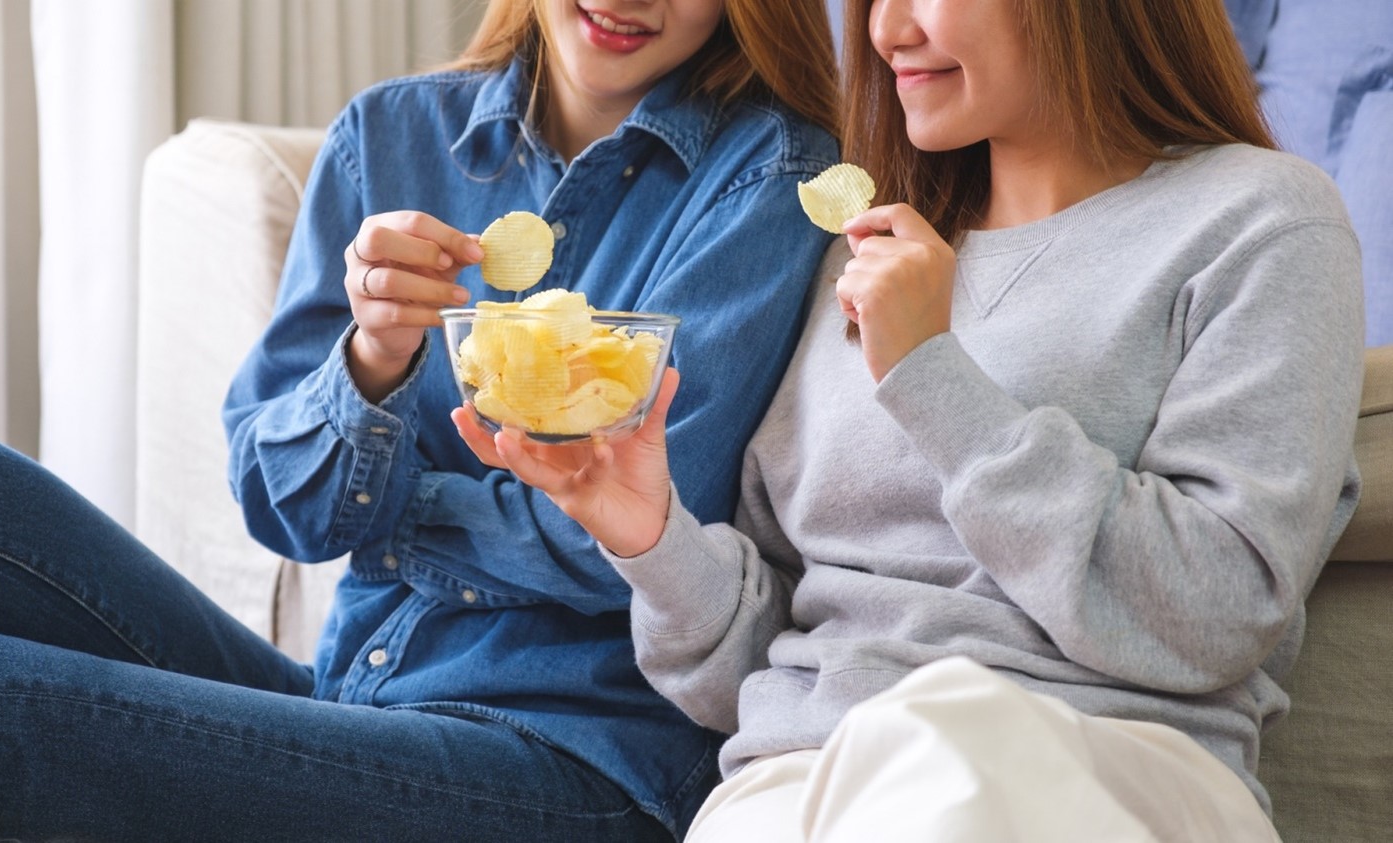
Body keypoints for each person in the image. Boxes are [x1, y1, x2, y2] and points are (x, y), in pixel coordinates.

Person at [0, 0, 840, 840]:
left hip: (570, 758)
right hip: (352, 696)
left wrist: (402, 509)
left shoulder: (768, 176)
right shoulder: (388, 138)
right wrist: (371, 362)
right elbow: (279, 504)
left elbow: (618, 542)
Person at [455, 0, 1366, 839]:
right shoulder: (863, 253)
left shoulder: (1262, 219)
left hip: (1096, 761)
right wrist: (649, 534)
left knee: (939, 741)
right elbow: (757, 665)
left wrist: (932, 375)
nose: (886, 31)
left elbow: (1213, 611)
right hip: (803, 777)